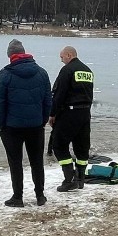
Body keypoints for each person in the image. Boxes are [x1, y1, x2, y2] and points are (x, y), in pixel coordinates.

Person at [0, 39, 52, 207]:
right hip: (35, 126)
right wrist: (42, 120)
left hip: (12, 127)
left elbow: (0, 102)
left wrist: (1, 124)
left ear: (11, 56)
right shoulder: (42, 73)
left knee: (15, 162)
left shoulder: (5, 74)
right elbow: (48, 101)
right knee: (37, 161)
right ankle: (40, 196)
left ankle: (18, 197)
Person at [49, 46, 94, 191]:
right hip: (85, 113)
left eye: (62, 57)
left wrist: (52, 114)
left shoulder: (67, 70)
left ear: (69, 55)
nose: (61, 60)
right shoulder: (87, 71)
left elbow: (59, 94)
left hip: (69, 113)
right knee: (82, 148)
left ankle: (69, 179)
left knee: (58, 145)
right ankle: (80, 179)